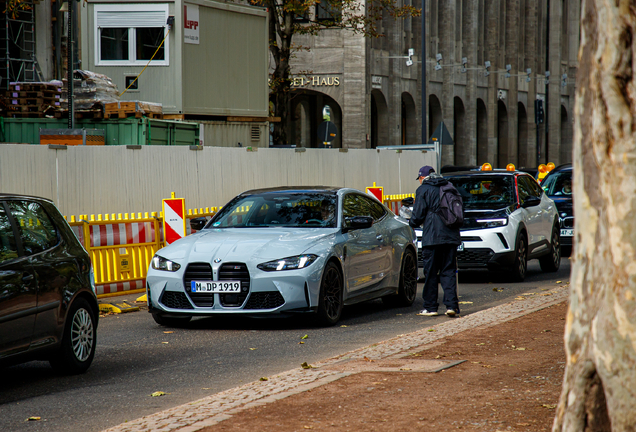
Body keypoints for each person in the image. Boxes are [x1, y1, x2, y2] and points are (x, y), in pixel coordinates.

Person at [409, 165, 462, 317]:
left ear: (421, 177)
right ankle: (452, 306)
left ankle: (431, 307)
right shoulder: (449, 186)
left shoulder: (423, 189)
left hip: (432, 237)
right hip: (451, 235)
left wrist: (411, 223)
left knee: (431, 272)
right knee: (449, 271)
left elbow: (418, 215)